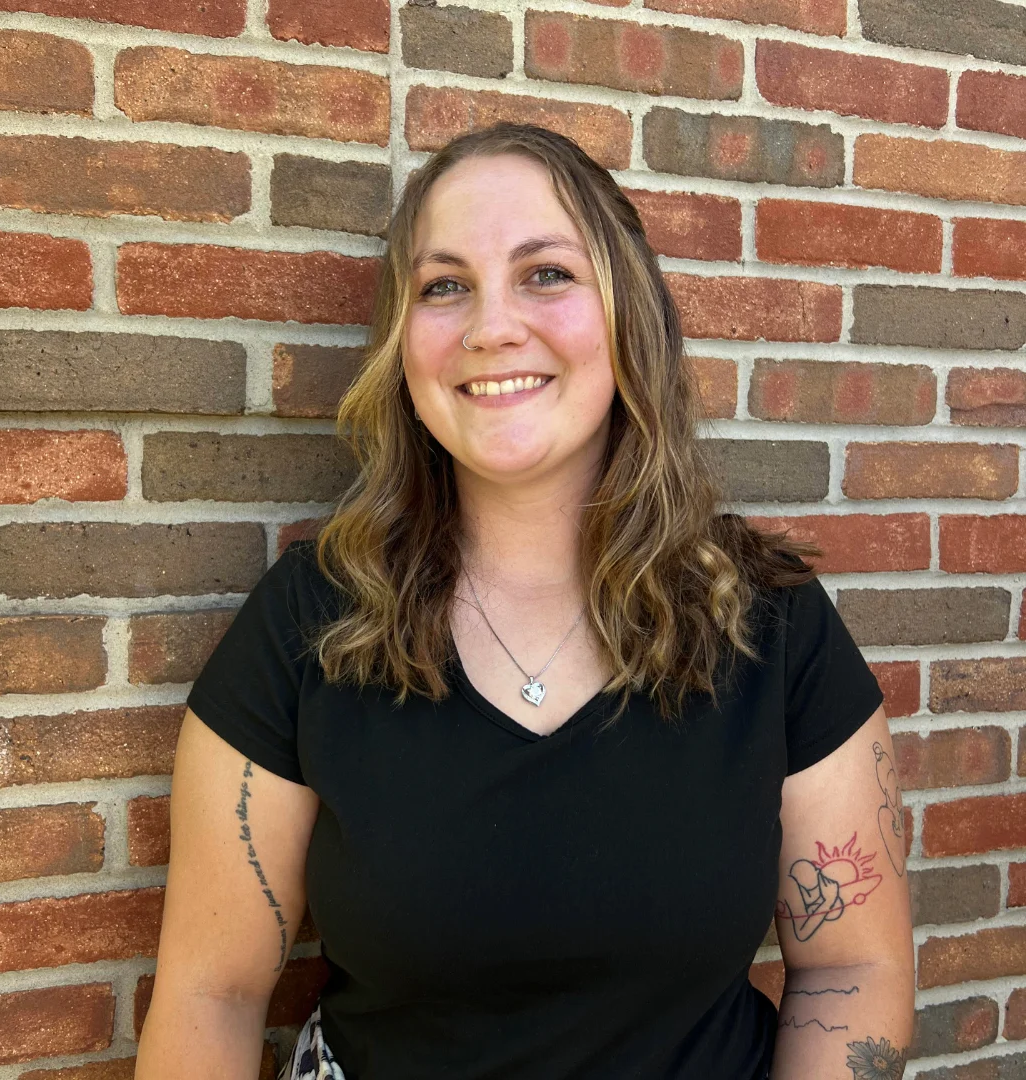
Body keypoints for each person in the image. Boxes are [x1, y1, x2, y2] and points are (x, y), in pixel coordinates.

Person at [134, 123, 914, 1080]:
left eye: (546, 273)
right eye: (444, 285)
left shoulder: (768, 623)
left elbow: (852, 967)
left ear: (628, 316)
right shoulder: (312, 624)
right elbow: (211, 994)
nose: (490, 327)